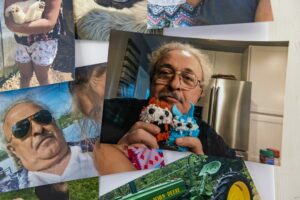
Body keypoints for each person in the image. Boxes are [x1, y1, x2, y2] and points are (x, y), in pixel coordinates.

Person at [97, 42, 236, 174]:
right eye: (164, 73)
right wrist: (111, 156)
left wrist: (206, 172)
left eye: (188, 78)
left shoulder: (207, 136)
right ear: (151, 82)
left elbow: (237, 174)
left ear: (200, 92)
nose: (174, 84)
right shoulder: (108, 111)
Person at [2, 101, 98, 188]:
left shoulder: (101, 147)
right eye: (21, 128)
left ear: (55, 123)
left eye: (42, 117)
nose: (38, 129)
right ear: (13, 149)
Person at [4, 0, 63, 88]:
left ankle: (47, 98)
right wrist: (13, 26)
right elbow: (8, 18)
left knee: (42, 77)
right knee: (24, 76)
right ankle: (24, 97)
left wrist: (14, 27)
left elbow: (49, 23)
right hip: (21, 41)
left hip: (44, 40)